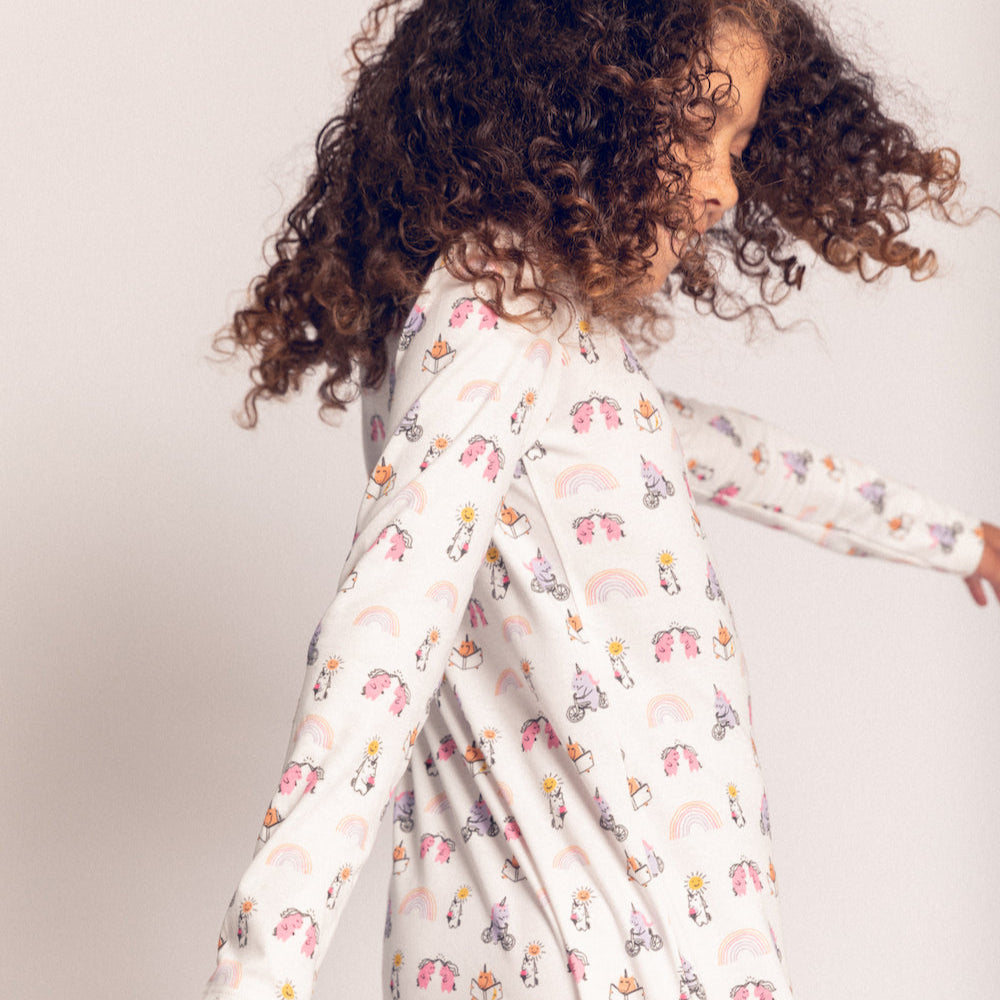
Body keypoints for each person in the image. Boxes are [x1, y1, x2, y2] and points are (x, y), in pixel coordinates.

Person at [202, 1, 999, 998]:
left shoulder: (544, 328)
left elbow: (723, 451)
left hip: (646, 931)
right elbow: (382, 638)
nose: (720, 188)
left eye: (737, 146)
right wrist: (258, 974)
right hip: (580, 948)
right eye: (695, 129)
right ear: (585, 111)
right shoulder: (491, 311)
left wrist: (955, 539)